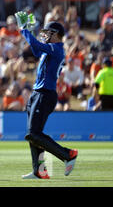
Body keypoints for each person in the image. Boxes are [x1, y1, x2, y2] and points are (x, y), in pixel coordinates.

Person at [15, 11, 78, 180]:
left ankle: (68, 154)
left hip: (46, 94)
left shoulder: (56, 49)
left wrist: (24, 29)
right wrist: (30, 28)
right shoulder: (48, 49)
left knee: (33, 134)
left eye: (48, 33)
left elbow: (37, 44)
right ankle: (40, 171)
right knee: (33, 135)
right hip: (38, 93)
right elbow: (35, 49)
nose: (45, 36)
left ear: (56, 35)